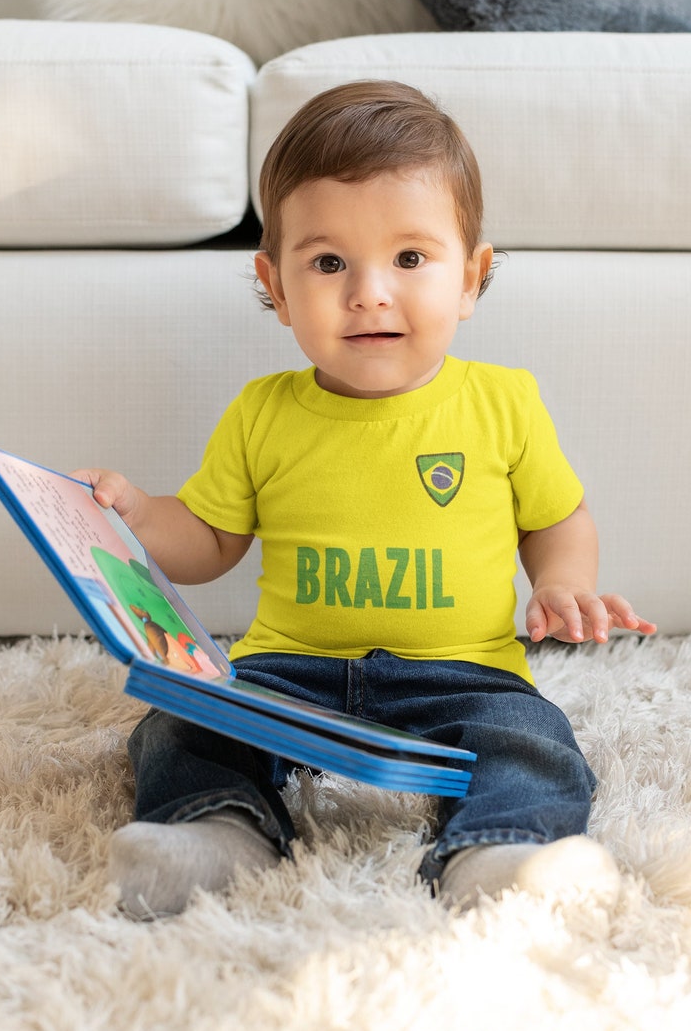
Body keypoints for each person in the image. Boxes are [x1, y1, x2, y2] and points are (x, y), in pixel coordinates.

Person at [78, 81, 656, 918]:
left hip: (465, 674)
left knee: (535, 744)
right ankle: (217, 835)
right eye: (329, 262)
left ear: (472, 276)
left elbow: (556, 515)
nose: (370, 291)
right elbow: (207, 537)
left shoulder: (503, 402)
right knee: (179, 725)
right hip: (291, 671)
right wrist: (135, 516)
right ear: (275, 286)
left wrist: (562, 582)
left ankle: (500, 852)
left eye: (410, 259)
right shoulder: (263, 412)